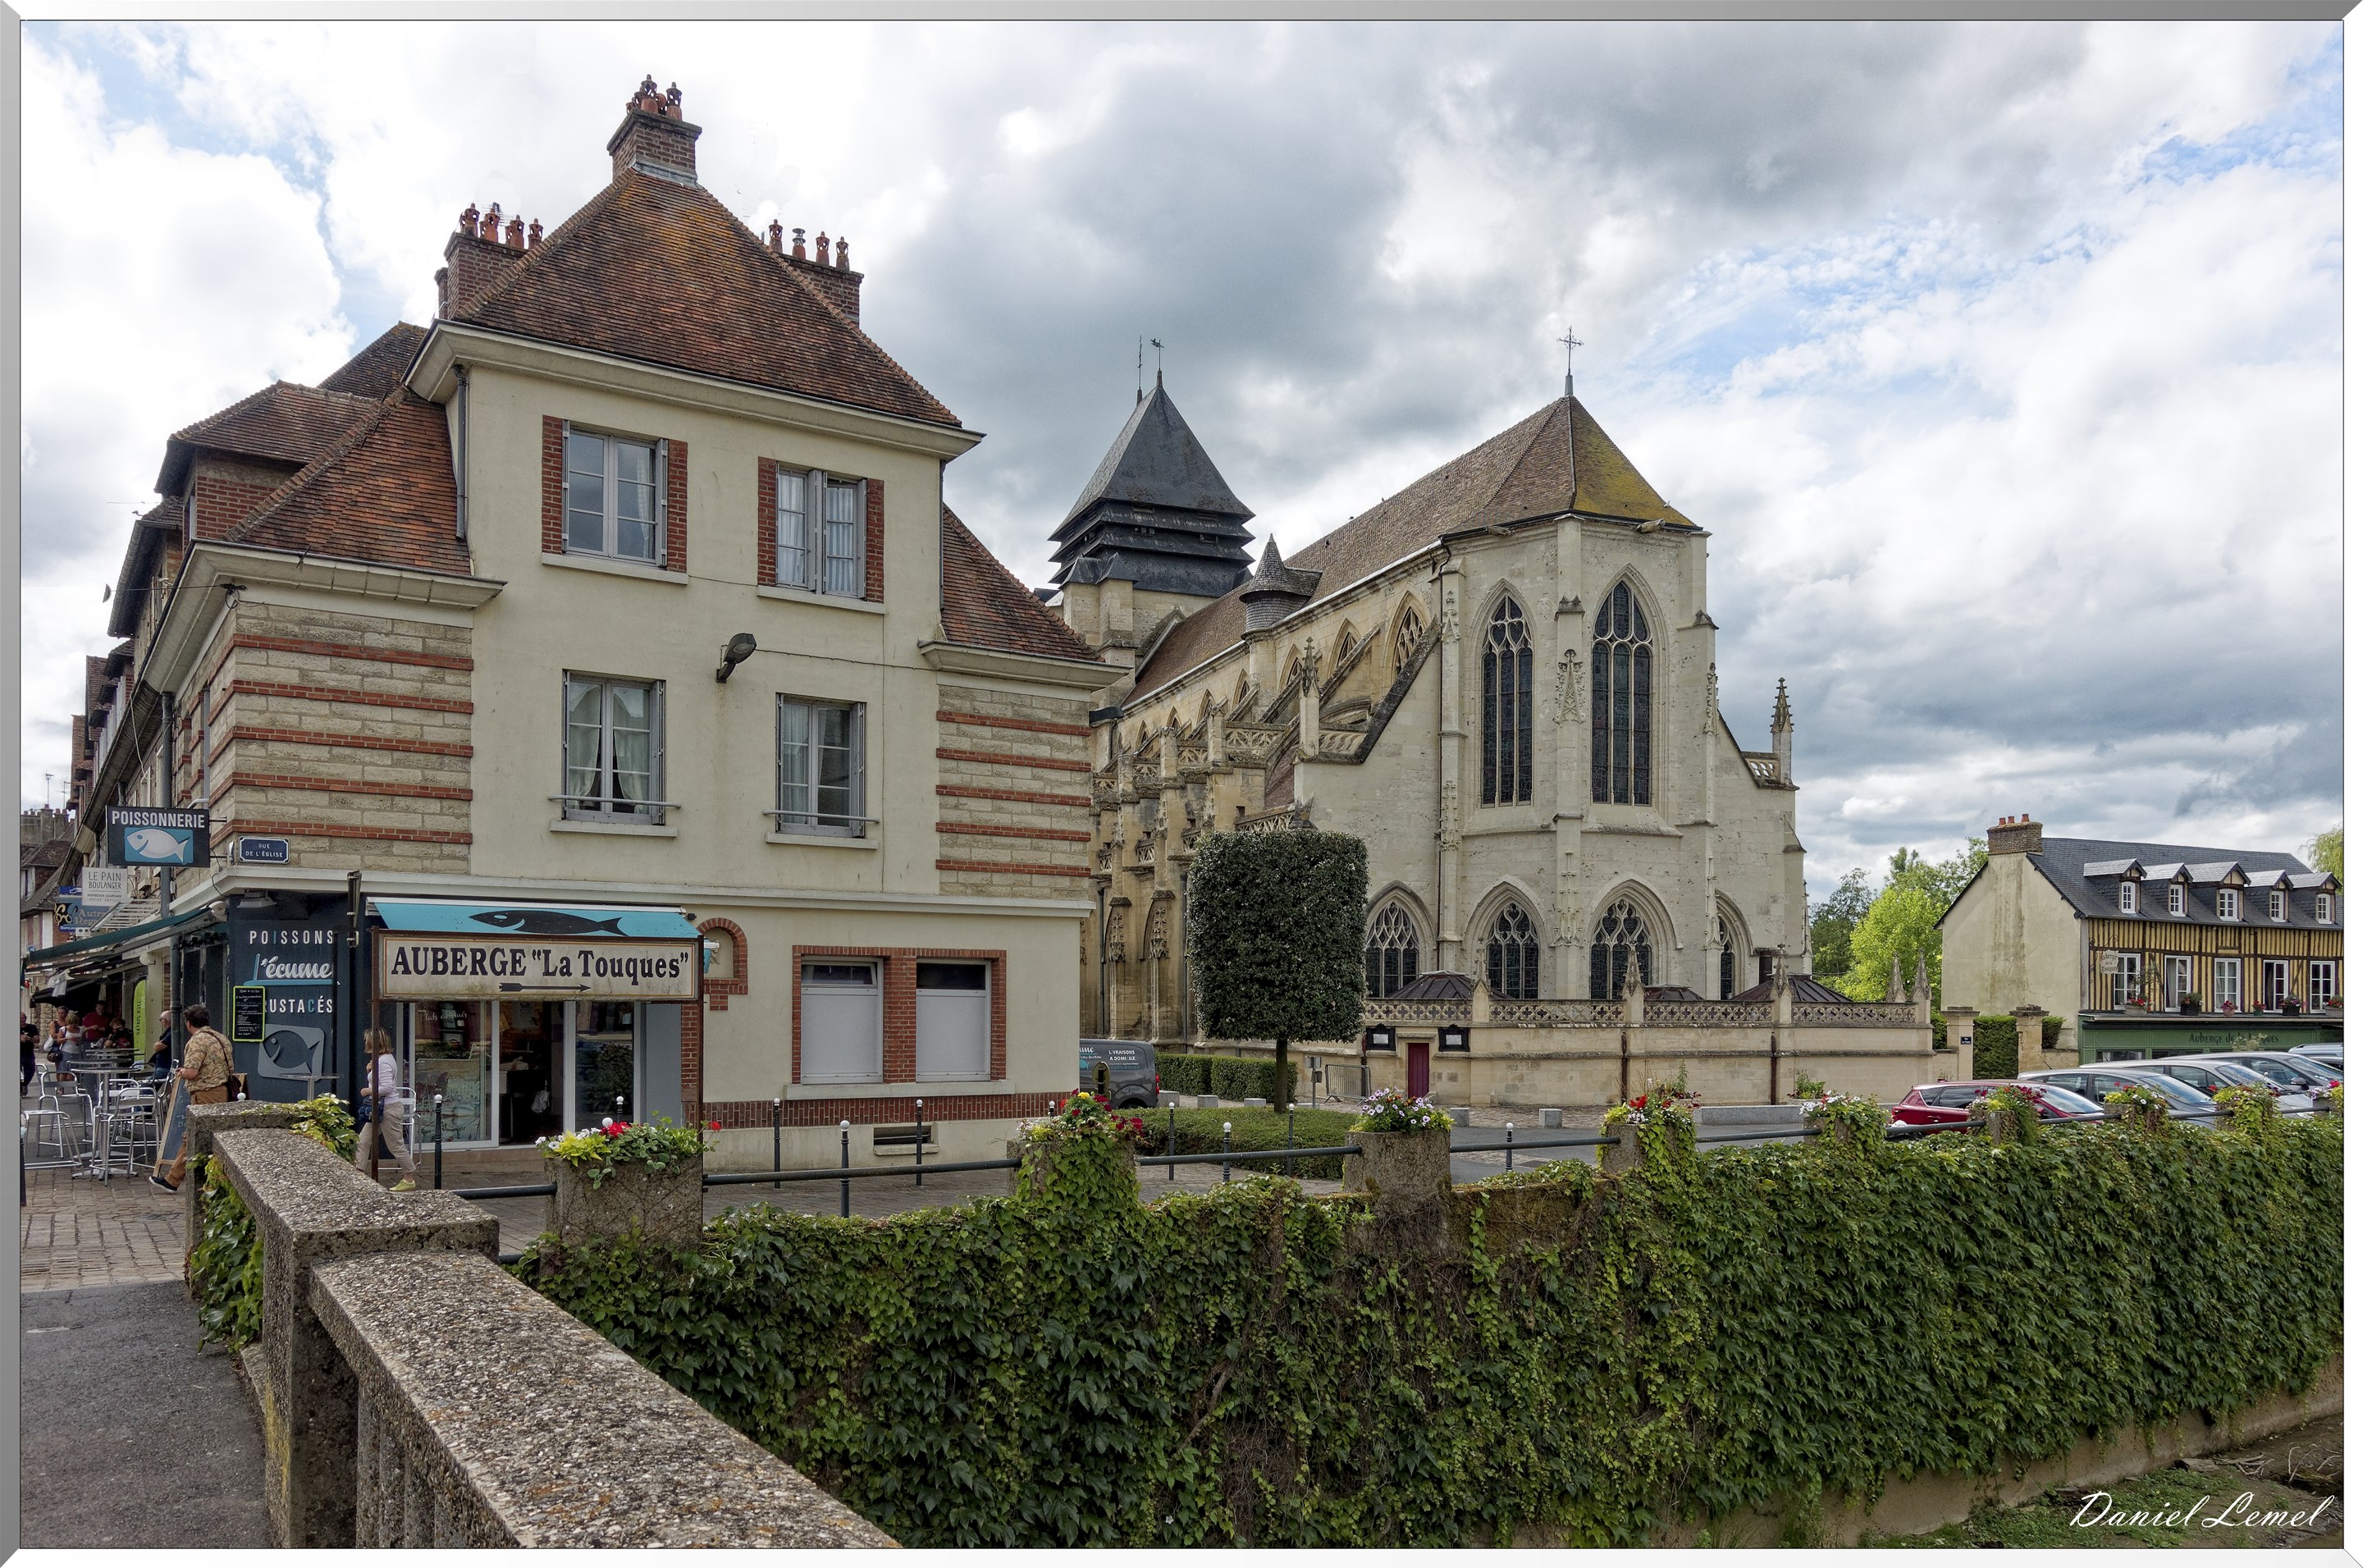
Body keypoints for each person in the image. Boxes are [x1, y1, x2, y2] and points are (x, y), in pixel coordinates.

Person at [152, 1003, 233, 1192]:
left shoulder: (197, 1042)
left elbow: (192, 1072)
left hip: (205, 1094)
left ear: (189, 1023)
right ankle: (174, 1179)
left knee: (195, 1138)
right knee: (200, 1137)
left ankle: (175, 1181)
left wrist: (181, 1072)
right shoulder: (221, 1038)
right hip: (222, 1091)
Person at [353, 1027, 416, 1191]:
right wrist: (370, 1071)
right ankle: (358, 1173)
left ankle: (409, 1178)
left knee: (395, 1145)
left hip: (387, 1108)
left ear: (374, 1042)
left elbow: (387, 1088)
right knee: (363, 1140)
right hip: (379, 1108)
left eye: (367, 1040)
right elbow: (381, 1082)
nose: (365, 1043)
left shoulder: (384, 1061)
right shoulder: (382, 1059)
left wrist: (367, 1091)